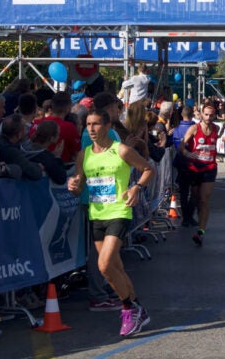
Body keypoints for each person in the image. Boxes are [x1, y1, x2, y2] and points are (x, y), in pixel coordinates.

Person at [67, 109, 155, 338]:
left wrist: (137, 187)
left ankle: (127, 310)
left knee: (104, 265)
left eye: (96, 124)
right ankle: (138, 308)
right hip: (97, 215)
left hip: (119, 211)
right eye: (88, 124)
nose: (91, 129)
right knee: (114, 268)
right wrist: (74, 185)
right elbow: (79, 184)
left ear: (107, 126)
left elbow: (148, 169)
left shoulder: (122, 150)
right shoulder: (84, 155)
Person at [177, 103, 220, 243]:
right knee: (196, 198)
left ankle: (201, 230)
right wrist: (188, 154)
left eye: (211, 115)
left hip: (210, 168)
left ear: (215, 115)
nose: (208, 117)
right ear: (201, 114)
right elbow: (181, 146)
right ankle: (196, 218)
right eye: (206, 114)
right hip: (195, 169)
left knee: (204, 199)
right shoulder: (194, 128)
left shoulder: (216, 128)